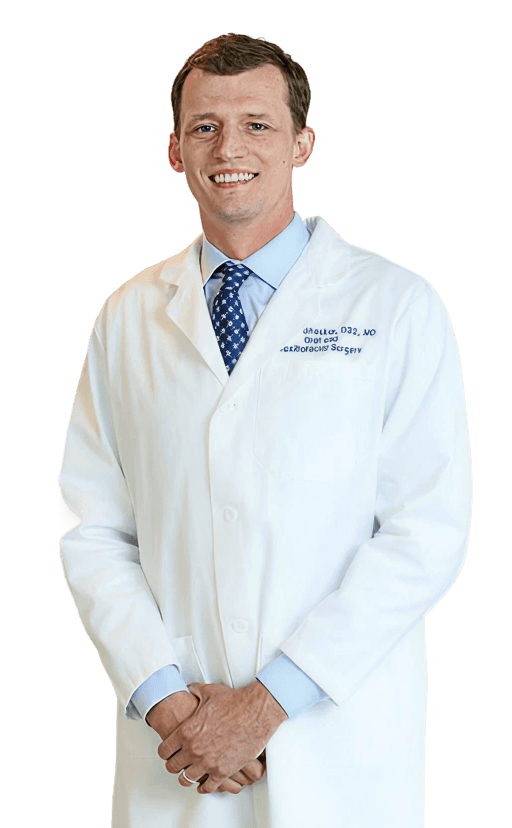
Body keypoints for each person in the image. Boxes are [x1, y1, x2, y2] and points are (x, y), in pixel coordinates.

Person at [57, 32, 472, 828]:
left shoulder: (395, 305)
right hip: (176, 752)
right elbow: (94, 531)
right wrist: (166, 700)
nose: (229, 148)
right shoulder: (127, 316)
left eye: (257, 124)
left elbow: (426, 532)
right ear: (175, 151)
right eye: (204, 127)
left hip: (336, 750)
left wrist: (267, 703)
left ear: (302, 144)